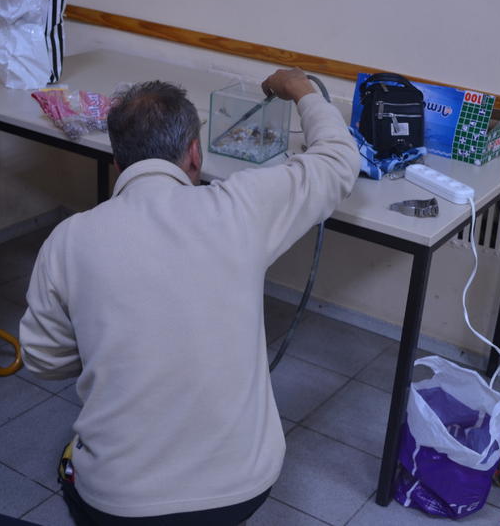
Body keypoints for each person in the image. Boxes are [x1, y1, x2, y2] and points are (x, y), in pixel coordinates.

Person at [19, 67, 359, 525]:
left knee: (75, 468)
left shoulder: (69, 239)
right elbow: (338, 161)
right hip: (243, 490)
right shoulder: (242, 208)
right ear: (195, 155)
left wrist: (112, 348)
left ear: (118, 162)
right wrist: (301, 89)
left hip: (117, 504)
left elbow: (43, 360)